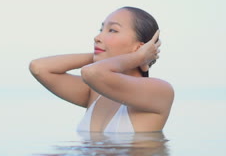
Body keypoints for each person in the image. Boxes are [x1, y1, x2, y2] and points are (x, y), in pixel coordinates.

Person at [29, 7, 174, 132]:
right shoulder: (96, 91)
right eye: (101, 29)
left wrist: (138, 57)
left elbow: (92, 73)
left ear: (139, 47)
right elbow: (39, 68)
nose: (97, 37)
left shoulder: (160, 91)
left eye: (112, 30)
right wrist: (101, 55)